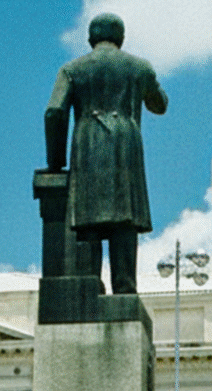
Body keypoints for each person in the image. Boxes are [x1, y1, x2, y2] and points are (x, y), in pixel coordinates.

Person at [44, 12, 168, 297]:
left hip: (88, 142)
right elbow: (160, 105)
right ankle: (125, 290)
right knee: (124, 220)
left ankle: (89, 285)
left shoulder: (72, 69)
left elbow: (53, 112)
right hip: (126, 143)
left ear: (90, 39)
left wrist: (56, 162)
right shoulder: (138, 67)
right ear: (121, 39)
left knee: (88, 222)